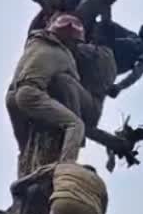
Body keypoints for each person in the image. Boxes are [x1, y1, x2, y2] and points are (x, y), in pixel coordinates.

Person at [6, 12, 88, 162]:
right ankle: (66, 166)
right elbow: (74, 81)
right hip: (31, 94)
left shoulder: (34, 41)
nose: (75, 45)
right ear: (69, 39)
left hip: (12, 97)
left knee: (25, 148)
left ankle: (25, 165)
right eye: (75, 42)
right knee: (75, 125)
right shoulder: (63, 55)